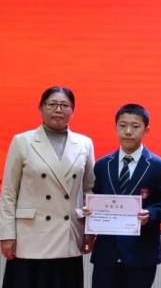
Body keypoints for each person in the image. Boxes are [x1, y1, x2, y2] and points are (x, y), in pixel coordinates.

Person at [0, 86, 95, 288]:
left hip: (68, 235)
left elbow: (89, 190)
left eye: (64, 105)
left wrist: (90, 229)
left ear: (73, 110)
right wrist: (6, 234)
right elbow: (8, 193)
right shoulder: (22, 141)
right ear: (41, 108)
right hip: (30, 236)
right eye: (52, 104)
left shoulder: (84, 143)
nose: (58, 109)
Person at [85, 104, 161, 288]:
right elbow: (95, 197)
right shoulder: (102, 165)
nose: (128, 131)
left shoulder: (159, 166)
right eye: (122, 125)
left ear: (146, 129)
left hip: (140, 253)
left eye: (135, 126)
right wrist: (89, 211)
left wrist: (150, 214)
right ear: (115, 127)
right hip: (106, 253)